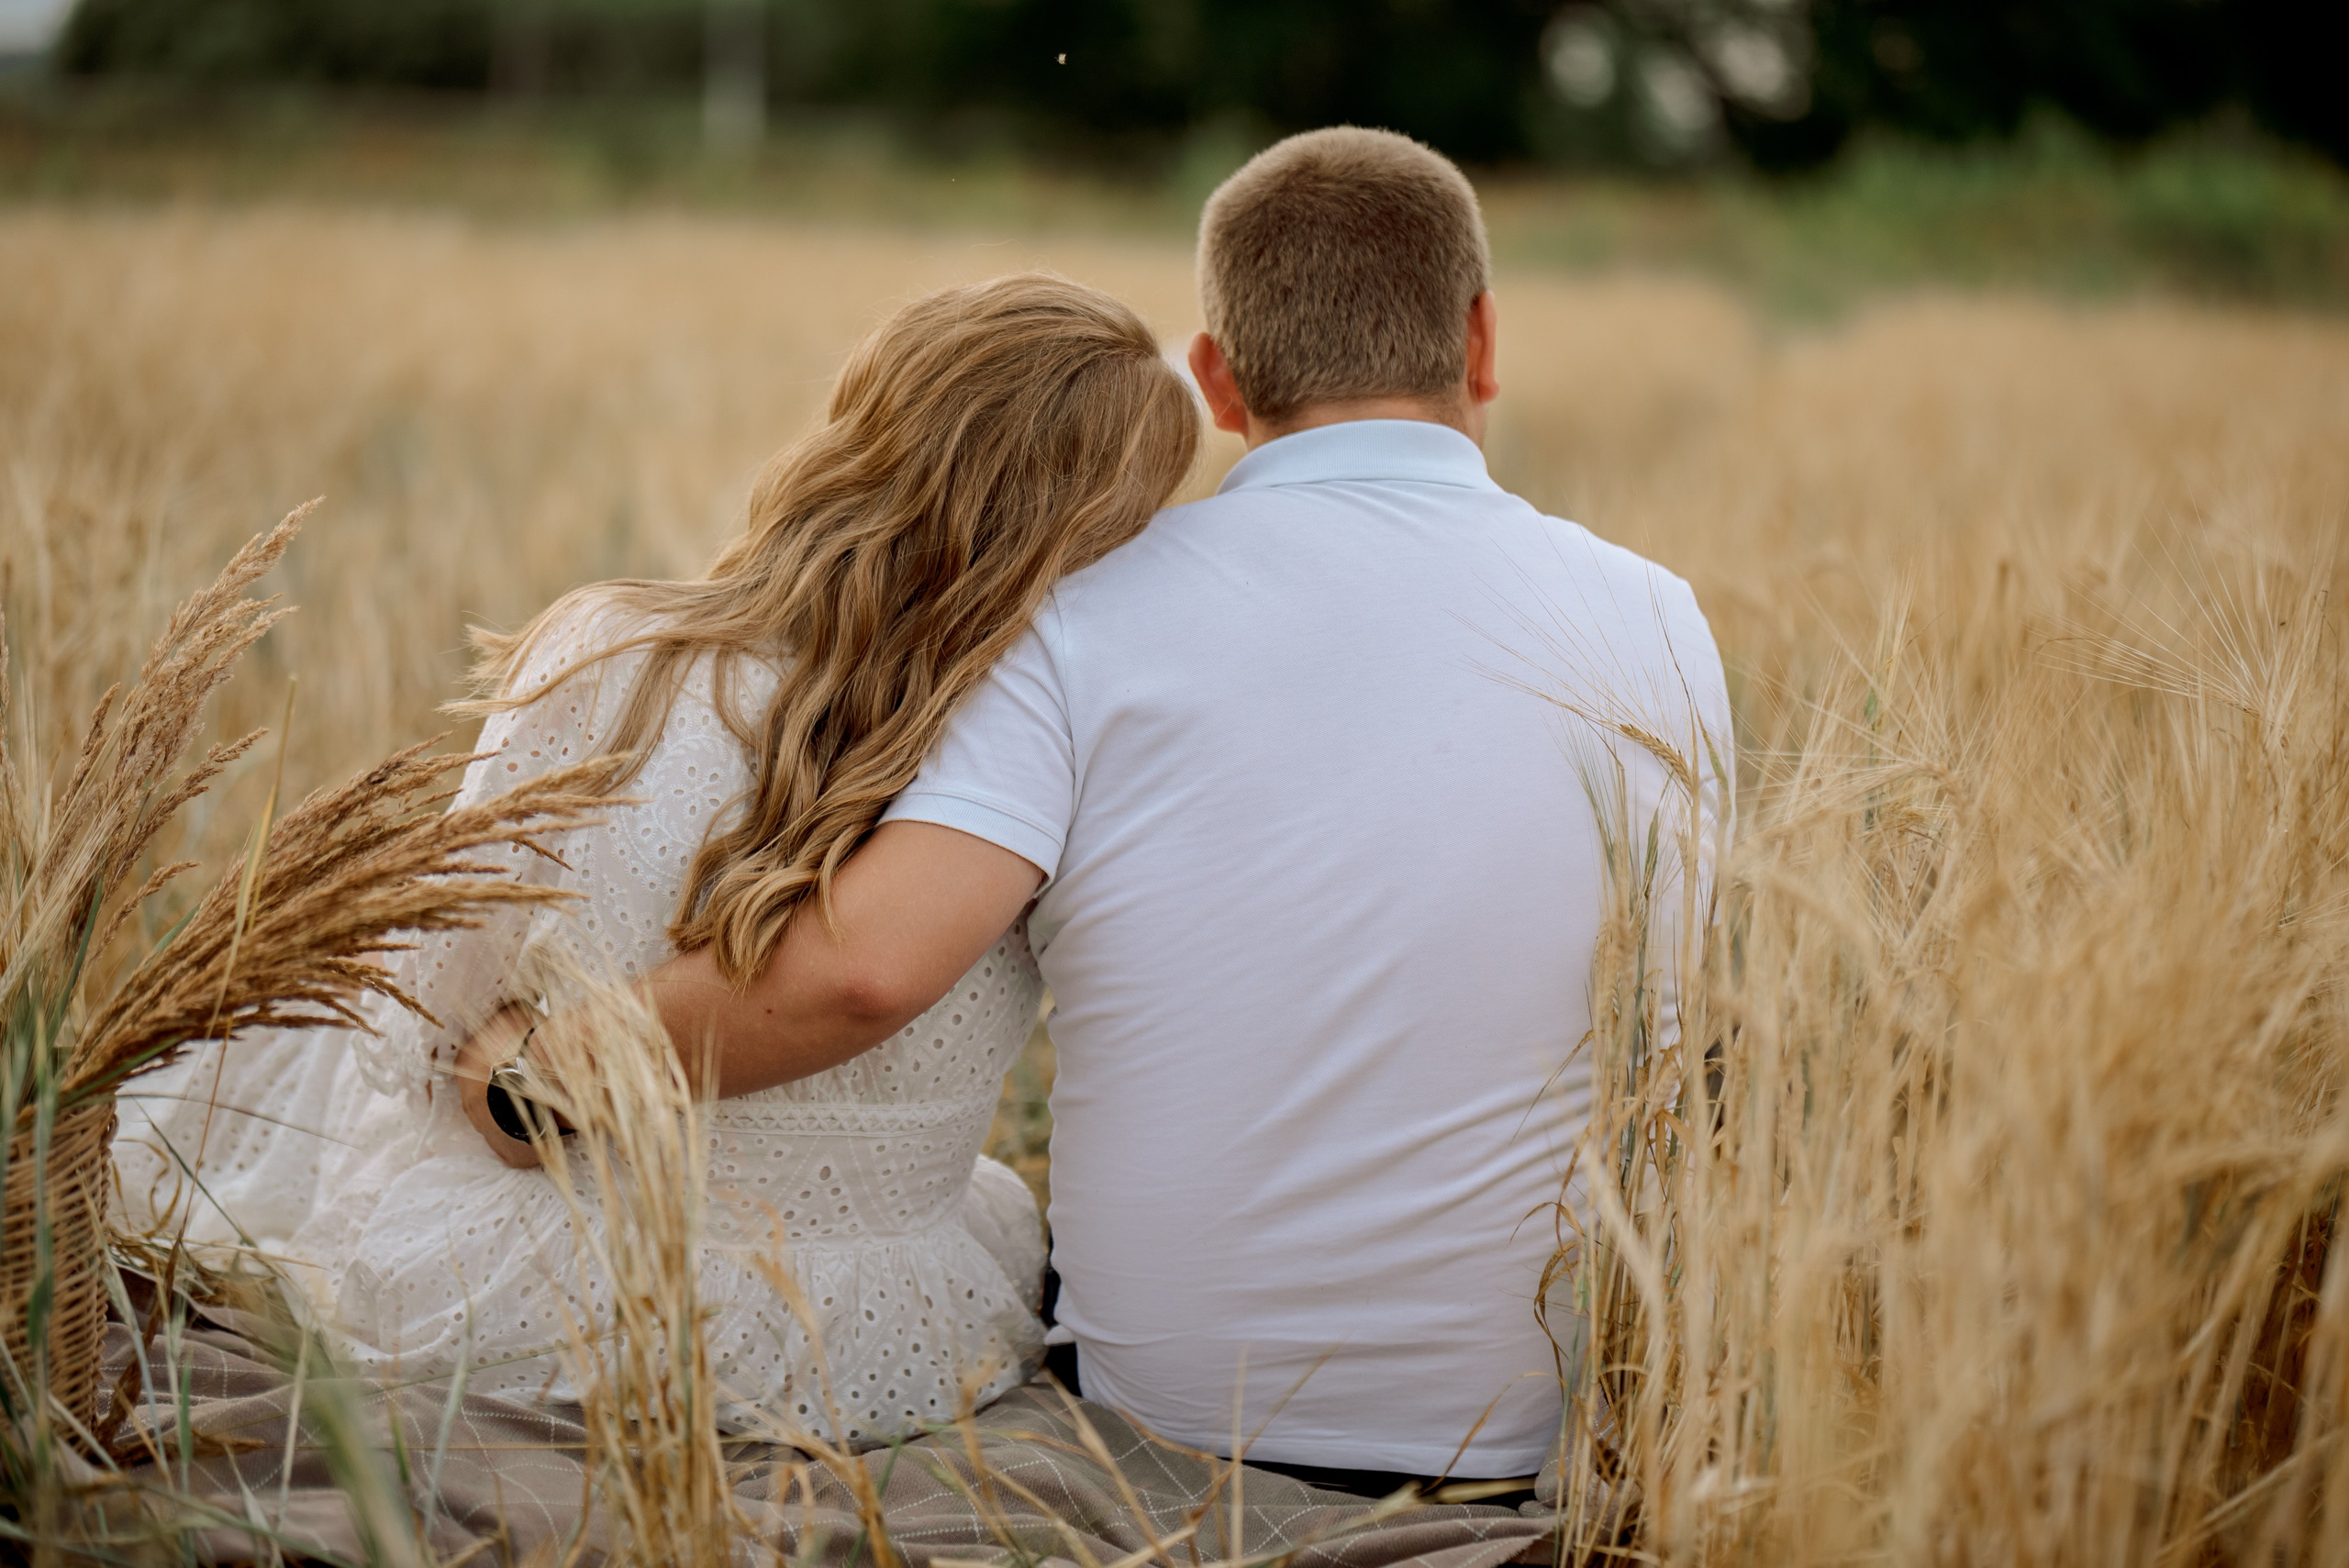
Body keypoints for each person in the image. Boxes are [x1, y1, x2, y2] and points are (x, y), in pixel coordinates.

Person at [623, 127, 1732, 1494]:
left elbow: (861, 968)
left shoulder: (1086, 616)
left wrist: (552, 1066)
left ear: (1214, 378)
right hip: (1552, 1418)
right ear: (1483, 339)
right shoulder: (1662, 623)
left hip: (1176, 1419)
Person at [113, 273, 1201, 1446]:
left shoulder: (613, 652)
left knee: (267, 1086)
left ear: (869, 424)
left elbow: (441, 1039)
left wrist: (521, 1069)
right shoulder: (1069, 751)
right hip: (877, 1328)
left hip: (552, 1289)